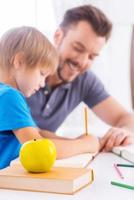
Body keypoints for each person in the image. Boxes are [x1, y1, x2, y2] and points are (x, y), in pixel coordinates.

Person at [27, 5, 134, 156]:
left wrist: (124, 132)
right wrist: (85, 143)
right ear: (58, 36)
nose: (83, 62)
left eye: (92, 56)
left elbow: (126, 118)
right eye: (78, 48)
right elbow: (32, 137)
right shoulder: (23, 67)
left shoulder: (84, 81)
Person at [0, 26, 77, 169]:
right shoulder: (10, 97)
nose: (42, 84)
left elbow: (38, 132)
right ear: (18, 61)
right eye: (42, 73)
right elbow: (39, 147)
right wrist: (85, 145)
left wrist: (73, 140)